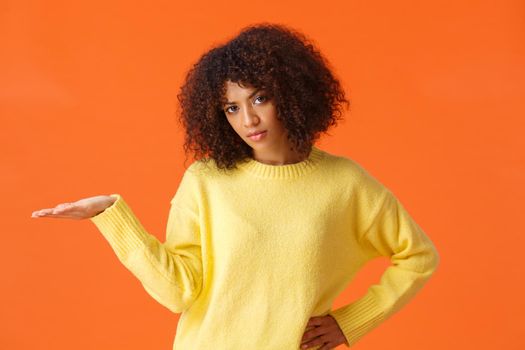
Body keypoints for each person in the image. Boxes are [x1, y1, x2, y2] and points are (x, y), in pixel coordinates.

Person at [31, 23, 440, 349]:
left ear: (293, 95)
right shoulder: (206, 181)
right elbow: (180, 293)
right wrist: (110, 216)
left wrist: (349, 323)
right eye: (232, 107)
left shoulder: (346, 184)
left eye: (260, 98)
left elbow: (419, 257)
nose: (248, 120)